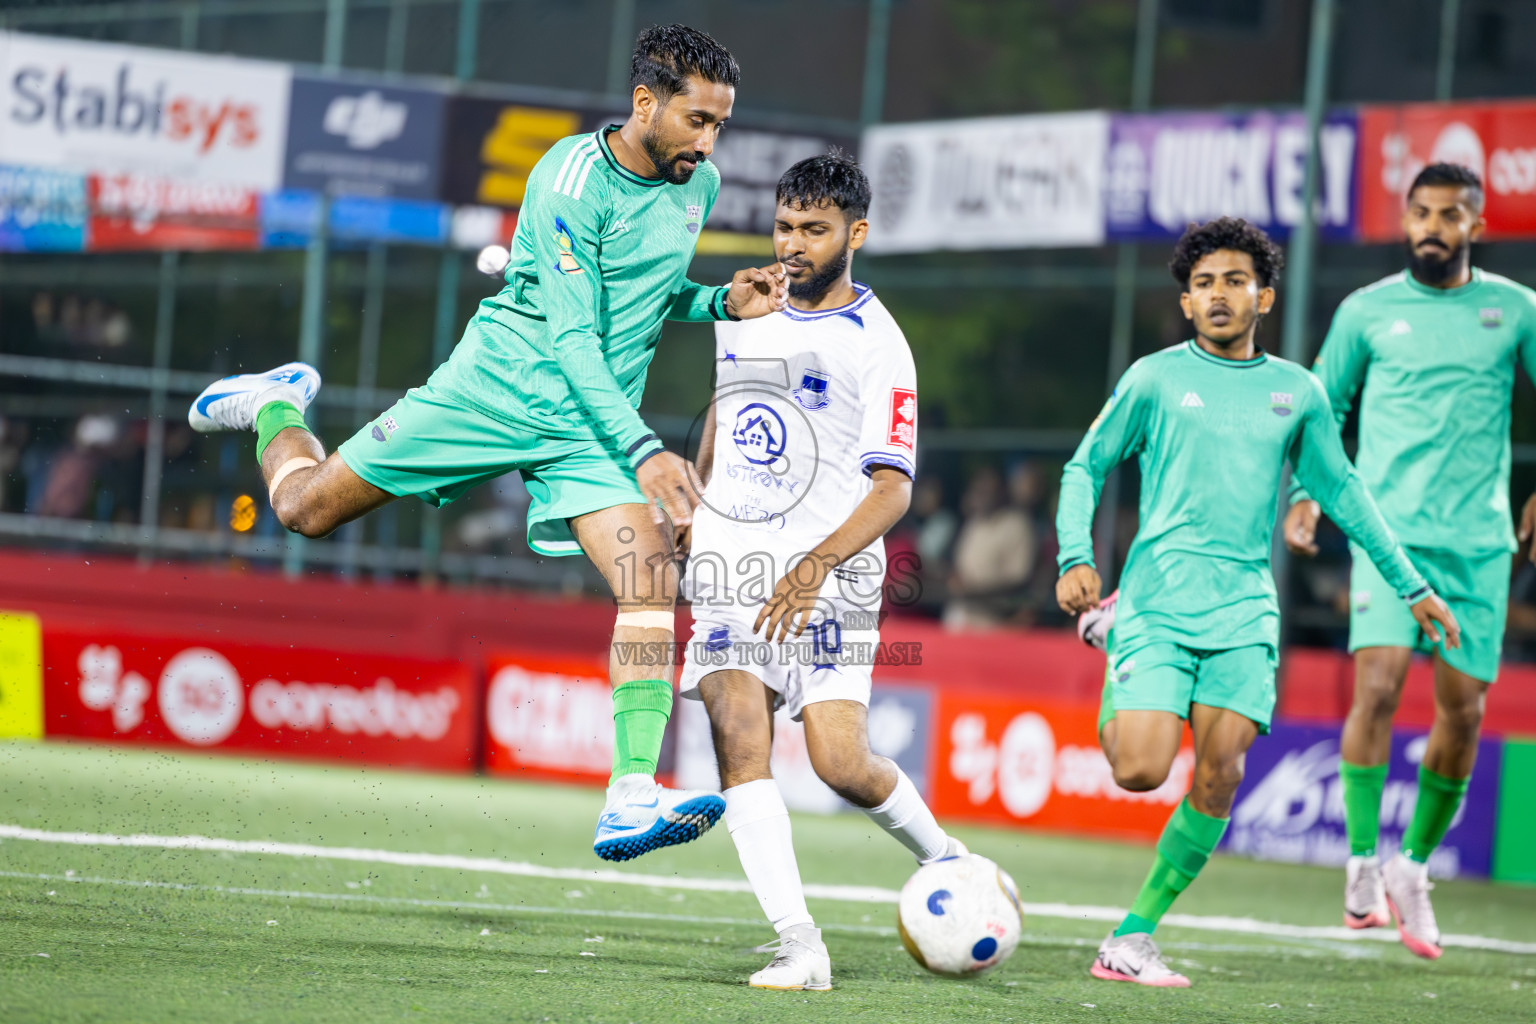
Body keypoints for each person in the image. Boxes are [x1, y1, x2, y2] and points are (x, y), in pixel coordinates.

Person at [185, 24, 787, 863]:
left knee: (650, 579)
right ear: (645, 101)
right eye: (696, 120)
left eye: (719, 124)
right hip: (492, 393)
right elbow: (574, 339)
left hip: (587, 427)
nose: (709, 141)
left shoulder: (701, 184)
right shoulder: (569, 178)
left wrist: (721, 302)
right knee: (303, 509)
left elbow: (646, 299)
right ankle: (274, 406)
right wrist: (646, 449)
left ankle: (628, 797)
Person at [1055, 217, 1459, 988]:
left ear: (1263, 295)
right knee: (1139, 770)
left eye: (1234, 281)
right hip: (1160, 603)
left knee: (1220, 773)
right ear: (1184, 302)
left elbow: (1345, 494)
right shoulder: (1153, 379)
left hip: (1244, 611)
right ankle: (1112, 629)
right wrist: (1076, 554)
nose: (1217, 294)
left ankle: (1133, 937)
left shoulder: (1296, 392)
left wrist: (1412, 586)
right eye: (1202, 283)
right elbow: (1085, 466)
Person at [678, 153, 963, 991]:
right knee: (737, 729)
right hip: (735, 564)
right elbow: (731, 414)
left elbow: (893, 490)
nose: (793, 245)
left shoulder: (881, 346)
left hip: (832, 576)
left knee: (842, 763)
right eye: (784, 227)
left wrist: (814, 564)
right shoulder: (748, 309)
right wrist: (698, 503)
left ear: (856, 234)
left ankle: (947, 859)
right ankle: (799, 944)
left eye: (814, 230)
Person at [1281, 163, 1536, 958]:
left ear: (1476, 226)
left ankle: (1412, 868)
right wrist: (1307, 492)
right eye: (1421, 212)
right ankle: (1361, 860)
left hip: (1478, 548)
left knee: (1462, 712)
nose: (1433, 226)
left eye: (1450, 215)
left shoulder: (1516, 309)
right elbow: (1321, 407)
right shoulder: (1365, 312)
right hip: (1387, 538)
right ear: (1405, 219)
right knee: (1381, 685)